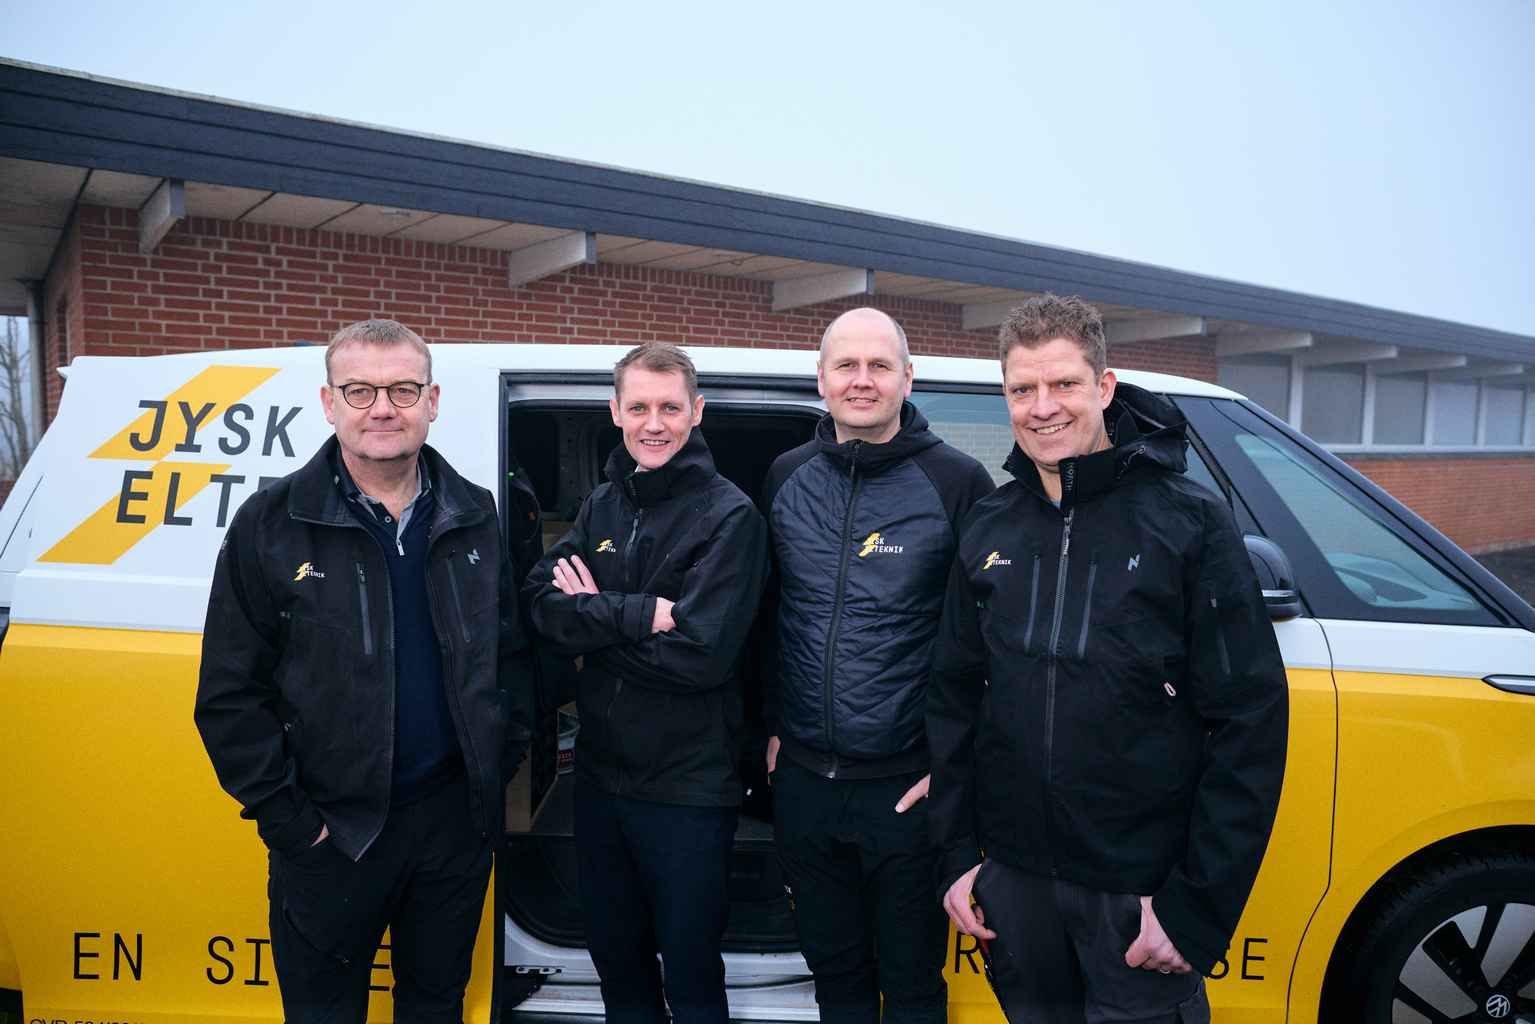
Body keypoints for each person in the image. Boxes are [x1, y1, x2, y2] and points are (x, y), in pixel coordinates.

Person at [926, 294, 1288, 1024]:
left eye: (1063, 383)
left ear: (1104, 386)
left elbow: (1248, 721)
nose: (1042, 407)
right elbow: (953, 698)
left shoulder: (1187, 522)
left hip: (1139, 896)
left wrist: (1195, 906)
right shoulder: (989, 525)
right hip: (1015, 890)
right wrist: (959, 859)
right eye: (1021, 389)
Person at [194, 318, 533, 1024]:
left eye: (403, 390)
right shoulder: (270, 522)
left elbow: (508, 658)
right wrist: (295, 826)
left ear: (432, 401)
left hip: (451, 829)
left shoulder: (475, 513)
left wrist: (489, 782)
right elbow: (229, 695)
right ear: (329, 404)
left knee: (435, 1007)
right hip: (332, 834)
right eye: (360, 391)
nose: (383, 408)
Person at [757, 307, 994, 1024]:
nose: (862, 380)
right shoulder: (786, 475)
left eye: (879, 365)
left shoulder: (958, 482)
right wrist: (772, 727)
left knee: (913, 984)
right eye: (846, 366)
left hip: (906, 790)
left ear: (907, 378)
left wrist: (953, 767)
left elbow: (991, 643)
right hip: (805, 785)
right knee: (836, 979)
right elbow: (767, 617)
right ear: (821, 379)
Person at [522, 342, 768, 1024]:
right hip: (601, 783)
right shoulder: (603, 505)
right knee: (617, 966)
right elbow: (539, 607)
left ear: (697, 411)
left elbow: (701, 658)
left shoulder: (730, 516)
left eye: (668, 407)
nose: (653, 424)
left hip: (688, 790)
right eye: (638, 408)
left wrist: (592, 628)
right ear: (615, 412)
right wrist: (637, 616)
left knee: (690, 974)